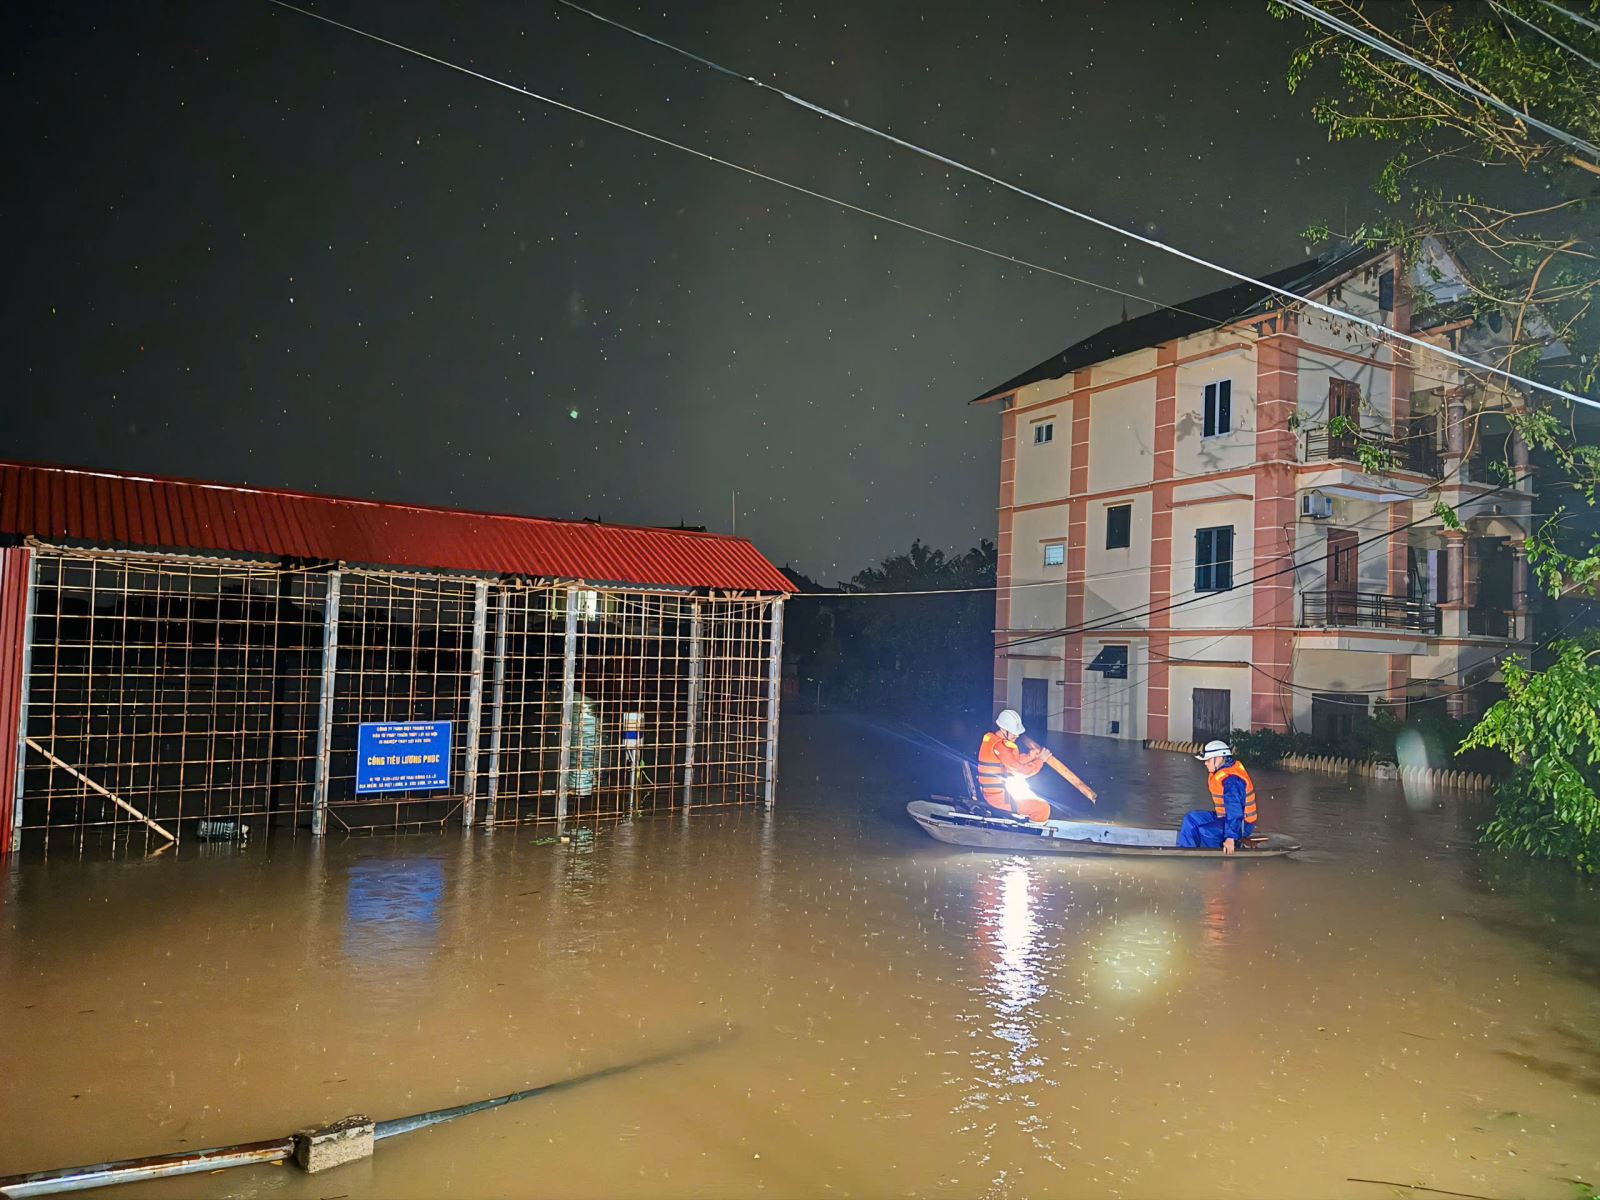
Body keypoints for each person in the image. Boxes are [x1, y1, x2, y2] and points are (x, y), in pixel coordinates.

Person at [1177, 740, 1257, 852]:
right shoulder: (1220, 772)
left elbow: (1235, 811)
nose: (1205, 763)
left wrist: (1230, 838)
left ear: (1219, 758)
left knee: (1206, 831)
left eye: (1208, 760)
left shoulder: (1232, 780)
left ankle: (1213, 859)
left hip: (1241, 825)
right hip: (1225, 818)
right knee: (1191, 818)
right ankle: (1185, 851)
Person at [975, 709, 1053, 823]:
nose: (1016, 735)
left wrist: (1031, 756)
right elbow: (1021, 771)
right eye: (1013, 732)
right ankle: (1032, 836)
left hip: (997, 794)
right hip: (999, 798)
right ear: (1003, 729)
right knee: (1043, 808)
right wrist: (1040, 760)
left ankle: (1031, 825)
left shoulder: (995, 741)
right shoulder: (1000, 747)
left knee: (1035, 799)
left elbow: (1012, 762)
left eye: (1017, 732)